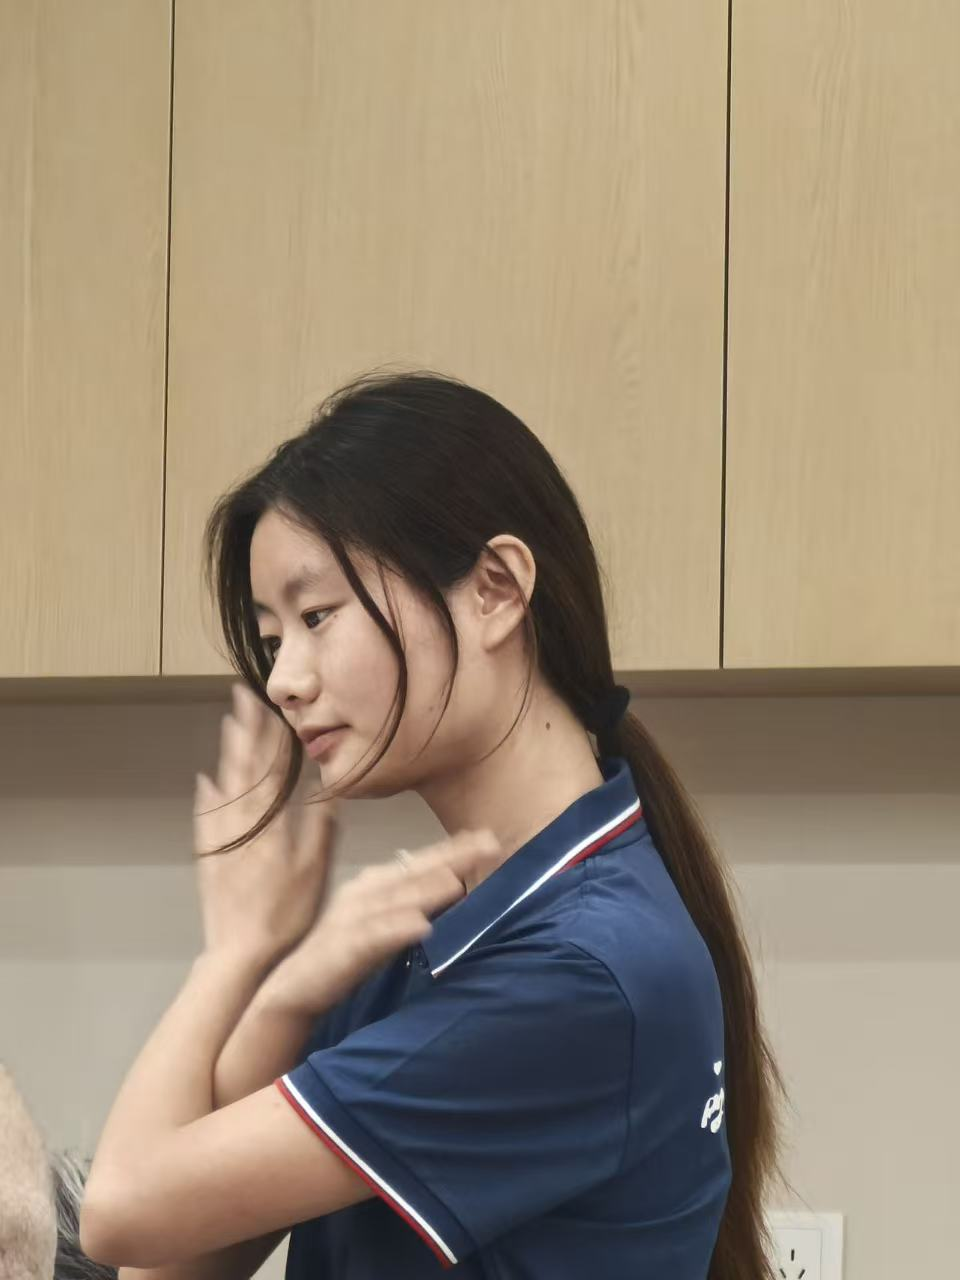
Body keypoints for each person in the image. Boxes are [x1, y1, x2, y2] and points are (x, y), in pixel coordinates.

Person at [80, 371, 788, 1279]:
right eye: (273, 639)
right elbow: (172, 1264)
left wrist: (231, 957)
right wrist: (285, 996)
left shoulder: (577, 972)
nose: (285, 679)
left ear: (495, 589)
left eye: (317, 616)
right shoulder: (435, 928)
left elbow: (122, 1214)